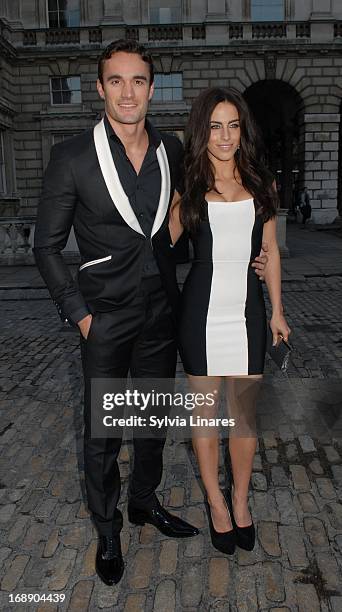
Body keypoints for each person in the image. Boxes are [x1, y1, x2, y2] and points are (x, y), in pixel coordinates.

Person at [33, 42, 268, 586]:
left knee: (153, 423)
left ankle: (144, 502)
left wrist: (248, 254)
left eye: (138, 80)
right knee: (105, 431)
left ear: (151, 88)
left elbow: (204, 214)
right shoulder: (72, 156)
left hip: (164, 312)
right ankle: (108, 528)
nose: (128, 91)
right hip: (105, 318)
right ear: (100, 88)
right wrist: (81, 316)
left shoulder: (171, 149)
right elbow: (46, 247)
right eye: (116, 81)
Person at [169, 87, 291, 554]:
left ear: (243, 130)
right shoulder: (190, 186)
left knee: (243, 418)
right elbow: (160, 241)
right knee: (204, 418)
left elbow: (271, 250)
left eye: (233, 125)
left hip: (248, 313)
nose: (225, 136)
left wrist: (277, 309)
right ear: (203, 131)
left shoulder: (262, 183)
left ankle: (241, 501)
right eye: (216, 126)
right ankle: (216, 503)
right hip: (199, 313)